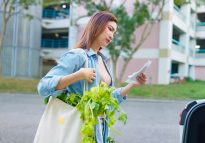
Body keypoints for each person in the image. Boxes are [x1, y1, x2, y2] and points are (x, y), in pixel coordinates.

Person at [37, 11, 147, 143]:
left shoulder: (103, 62)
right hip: (76, 129)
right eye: (110, 29)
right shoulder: (78, 55)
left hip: (97, 130)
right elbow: (44, 86)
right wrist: (79, 75)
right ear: (97, 26)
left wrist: (132, 84)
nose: (112, 36)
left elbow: (107, 99)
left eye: (114, 33)